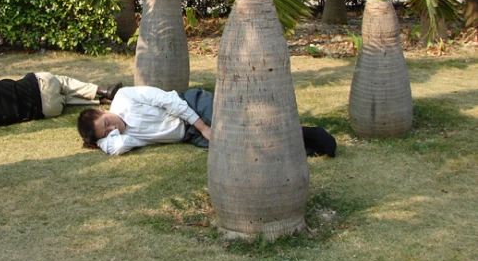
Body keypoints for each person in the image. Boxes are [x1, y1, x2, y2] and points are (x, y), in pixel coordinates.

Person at [77, 85, 337, 157]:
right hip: (190, 135)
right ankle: (302, 148)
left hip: (191, 106)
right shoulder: (120, 139)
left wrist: (204, 126)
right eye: (107, 131)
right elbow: (118, 147)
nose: (113, 127)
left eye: (107, 121)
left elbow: (169, 100)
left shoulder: (125, 97)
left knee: (243, 123)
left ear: (104, 110)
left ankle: (304, 132)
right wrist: (102, 139)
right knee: (239, 146)